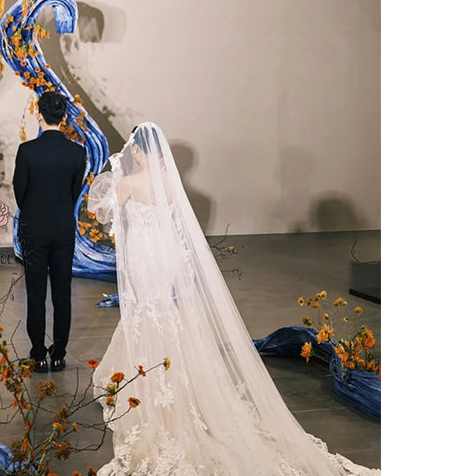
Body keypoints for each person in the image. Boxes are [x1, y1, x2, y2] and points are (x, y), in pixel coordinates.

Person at [87, 122, 379, 476]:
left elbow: (103, 214)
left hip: (143, 255)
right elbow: (175, 224)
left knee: (145, 310)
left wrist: (110, 179)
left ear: (136, 149)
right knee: (163, 309)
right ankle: (174, 371)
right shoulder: (168, 182)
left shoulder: (129, 183)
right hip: (165, 256)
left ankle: (151, 378)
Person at [13, 91, 87, 373]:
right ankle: (59, 354)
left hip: (34, 228)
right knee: (62, 293)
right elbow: (74, 192)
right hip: (63, 228)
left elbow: (20, 192)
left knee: (35, 293)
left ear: (38, 114)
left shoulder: (27, 151)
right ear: (64, 117)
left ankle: (38, 355)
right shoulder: (77, 152)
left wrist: (34, 210)